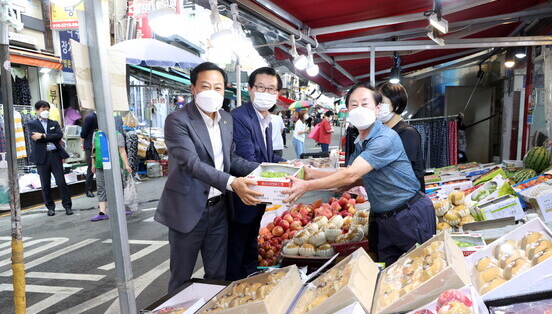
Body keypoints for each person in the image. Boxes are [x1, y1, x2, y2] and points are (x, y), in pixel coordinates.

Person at [285, 82, 436, 266]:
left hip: (409, 215)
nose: (359, 109)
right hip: (386, 218)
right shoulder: (362, 139)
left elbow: (350, 175)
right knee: (390, 275)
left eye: (365, 104)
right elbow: (348, 174)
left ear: (377, 109)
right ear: (347, 110)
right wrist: (311, 173)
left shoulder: (383, 139)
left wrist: (307, 186)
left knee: (420, 270)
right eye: (354, 105)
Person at [154, 62, 262, 292]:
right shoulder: (177, 120)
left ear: (225, 90)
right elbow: (191, 163)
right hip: (188, 208)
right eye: (205, 86)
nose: (212, 93)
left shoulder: (226, 119)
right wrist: (232, 183)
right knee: (181, 278)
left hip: (219, 209)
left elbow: (230, 159)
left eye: (218, 87)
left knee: (217, 275)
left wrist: (266, 169)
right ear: (193, 89)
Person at [228, 67, 286, 280]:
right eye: (260, 87)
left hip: (257, 197)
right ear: (250, 89)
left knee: (251, 241)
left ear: (277, 94)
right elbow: (247, 161)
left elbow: (268, 156)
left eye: (271, 89)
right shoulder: (240, 117)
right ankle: (235, 290)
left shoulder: (268, 121)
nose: (265, 92)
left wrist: (292, 165)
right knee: (237, 248)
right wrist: (282, 174)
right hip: (243, 196)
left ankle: (249, 282)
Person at [378, 82, 425, 192]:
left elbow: (400, 172)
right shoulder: (383, 132)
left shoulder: (407, 133)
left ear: (397, 104)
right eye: (376, 103)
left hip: (408, 202)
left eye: (382, 102)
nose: (378, 107)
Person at [29, 100, 72, 216]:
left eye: (47, 109)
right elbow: (34, 137)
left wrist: (43, 135)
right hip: (41, 157)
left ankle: (67, 206)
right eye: (43, 109)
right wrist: (49, 137)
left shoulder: (54, 123)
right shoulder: (32, 124)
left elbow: (59, 135)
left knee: (61, 182)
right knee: (45, 184)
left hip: (55, 155)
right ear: (37, 111)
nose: (46, 111)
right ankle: (50, 207)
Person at [89, 116, 133, 221]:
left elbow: (122, 151)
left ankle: (120, 208)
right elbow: (93, 151)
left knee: (118, 186)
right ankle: (102, 212)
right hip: (100, 165)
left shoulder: (117, 135)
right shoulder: (96, 135)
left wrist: (126, 165)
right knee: (101, 188)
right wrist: (93, 164)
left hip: (115, 166)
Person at [81, 111, 99, 197]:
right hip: (90, 144)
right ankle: (88, 189)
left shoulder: (101, 116)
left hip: (98, 143)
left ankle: (98, 188)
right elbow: (83, 132)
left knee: (99, 165)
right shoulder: (90, 117)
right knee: (91, 166)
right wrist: (82, 144)